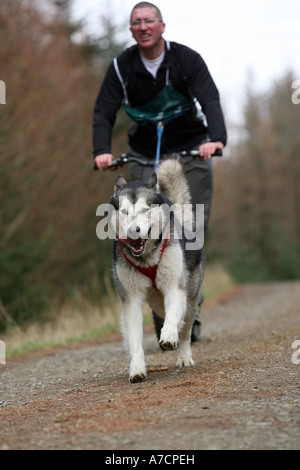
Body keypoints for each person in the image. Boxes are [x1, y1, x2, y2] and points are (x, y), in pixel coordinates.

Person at [93, 2, 227, 341]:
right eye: (136, 22)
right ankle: (160, 307)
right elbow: (104, 111)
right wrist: (102, 151)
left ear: (162, 26)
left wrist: (217, 139)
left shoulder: (186, 60)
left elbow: (210, 98)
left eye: (148, 20)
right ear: (131, 30)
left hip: (191, 151)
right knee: (137, 230)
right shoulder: (122, 68)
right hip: (142, 153)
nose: (142, 26)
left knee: (189, 228)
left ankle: (186, 304)